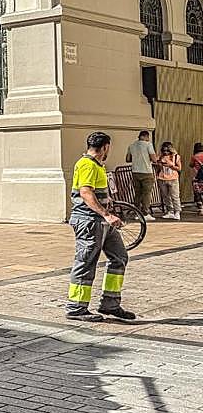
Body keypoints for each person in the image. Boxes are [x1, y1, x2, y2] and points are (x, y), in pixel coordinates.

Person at [66, 131, 136, 322]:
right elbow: (86, 193)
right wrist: (106, 214)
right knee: (86, 262)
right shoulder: (87, 164)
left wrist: (108, 203)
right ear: (105, 147)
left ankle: (110, 304)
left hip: (102, 221)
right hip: (89, 221)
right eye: (108, 148)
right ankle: (76, 308)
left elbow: (96, 191)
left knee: (119, 257)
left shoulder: (97, 165)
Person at [126, 130, 156, 215]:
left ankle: (137, 212)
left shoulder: (131, 146)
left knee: (138, 193)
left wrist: (137, 158)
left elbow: (128, 159)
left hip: (135, 172)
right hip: (146, 172)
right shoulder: (148, 144)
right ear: (146, 136)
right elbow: (154, 159)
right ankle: (145, 213)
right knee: (146, 193)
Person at [155, 141, 182, 220]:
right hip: (162, 178)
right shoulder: (160, 157)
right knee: (165, 196)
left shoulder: (176, 157)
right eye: (164, 150)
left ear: (171, 150)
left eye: (167, 150)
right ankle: (170, 211)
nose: (165, 152)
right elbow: (158, 169)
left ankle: (177, 211)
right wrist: (159, 165)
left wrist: (171, 166)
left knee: (175, 196)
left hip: (173, 178)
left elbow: (179, 168)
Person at [191, 143, 203, 215]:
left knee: (198, 192)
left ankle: (201, 208)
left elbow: (191, 165)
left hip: (197, 177)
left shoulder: (195, 156)